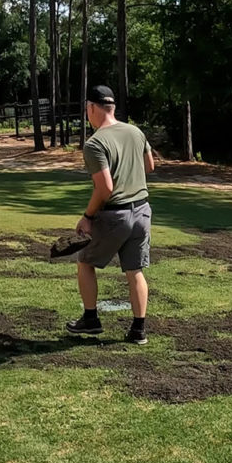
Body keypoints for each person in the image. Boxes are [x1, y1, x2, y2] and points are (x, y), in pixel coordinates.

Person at [66, 85, 155, 344]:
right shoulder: (135, 131)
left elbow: (105, 188)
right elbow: (150, 166)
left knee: (85, 262)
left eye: (87, 108)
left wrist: (88, 217)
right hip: (142, 211)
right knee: (135, 270)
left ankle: (91, 319)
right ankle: (138, 330)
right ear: (112, 107)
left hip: (115, 215)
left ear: (92, 108)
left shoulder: (95, 143)